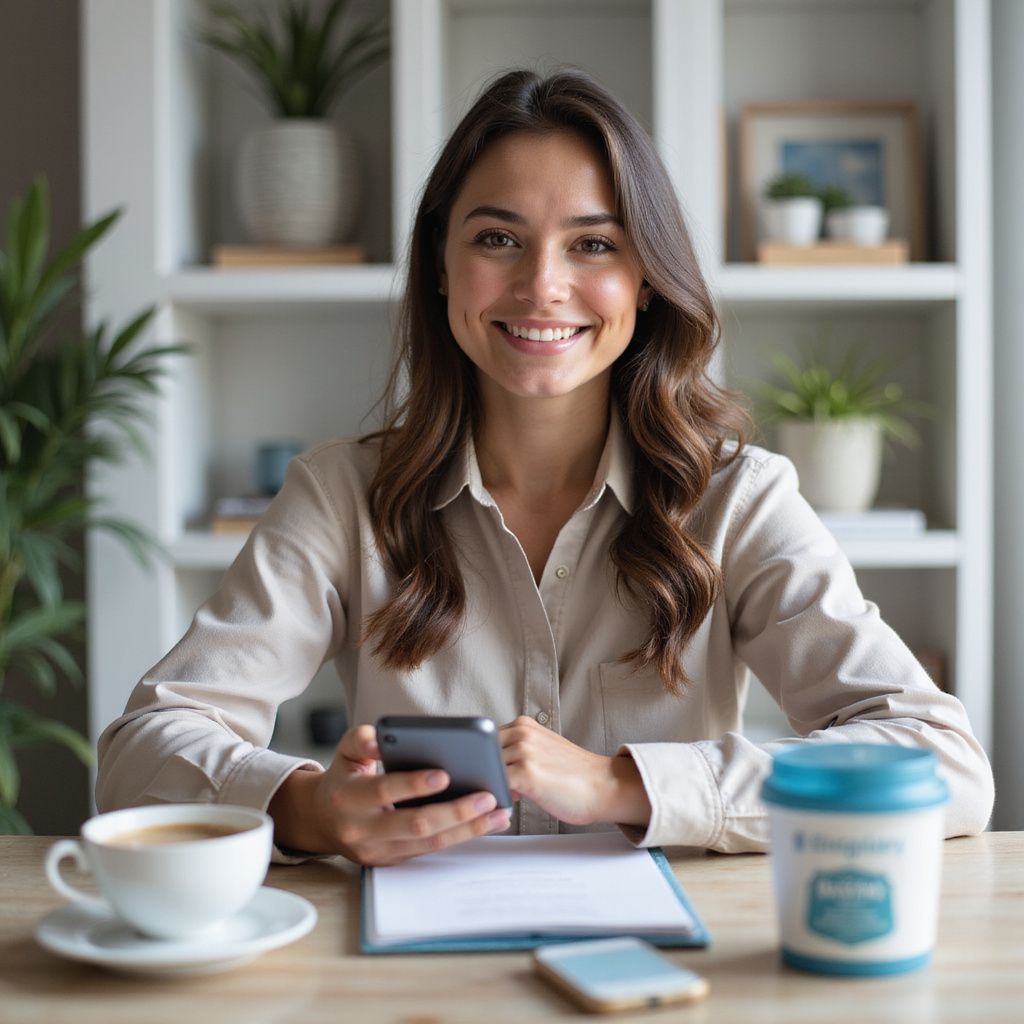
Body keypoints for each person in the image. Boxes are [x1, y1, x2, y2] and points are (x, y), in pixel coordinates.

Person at [96, 69, 993, 865]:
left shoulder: (738, 500)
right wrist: (311, 810)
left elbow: (945, 762)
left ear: (646, 279)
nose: (542, 286)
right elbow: (141, 750)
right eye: (497, 239)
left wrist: (629, 787)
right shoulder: (340, 496)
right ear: (442, 265)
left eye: (594, 245)